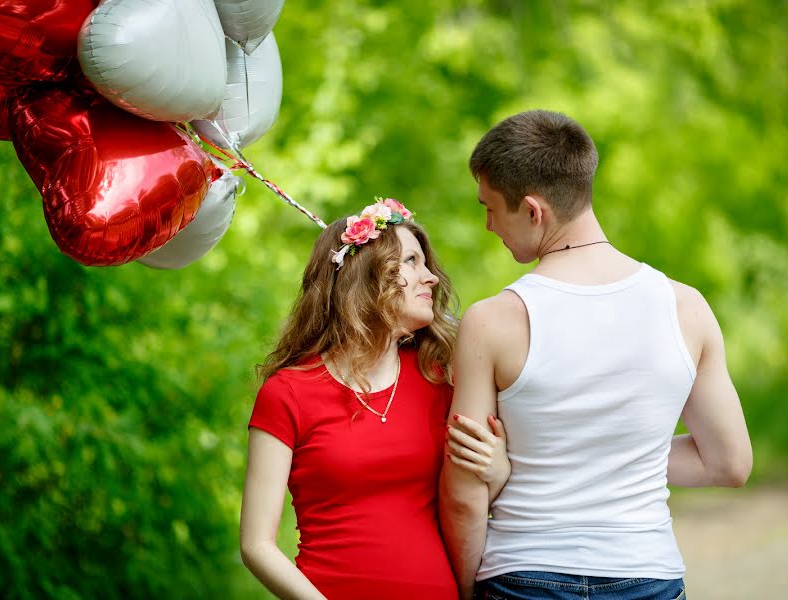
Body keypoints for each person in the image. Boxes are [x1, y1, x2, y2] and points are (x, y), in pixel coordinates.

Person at [439, 110, 753, 600]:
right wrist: (621, 457)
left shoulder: (493, 320)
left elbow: (464, 495)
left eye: (491, 208)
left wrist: (462, 590)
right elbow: (730, 463)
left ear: (533, 210)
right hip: (646, 575)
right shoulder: (686, 307)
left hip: (524, 575)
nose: (487, 225)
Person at [239, 198, 511, 599]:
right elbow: (256, 545)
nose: (432, 278)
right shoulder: (288, 393)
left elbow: (465, 503)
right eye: (412, 262)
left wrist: (499, 470)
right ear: (368, 277)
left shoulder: (440, 380)